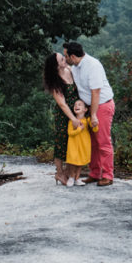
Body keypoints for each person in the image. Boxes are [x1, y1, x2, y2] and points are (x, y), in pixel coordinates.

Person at [65, 42, 116, 186]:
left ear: (73, 56)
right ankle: (95, 173)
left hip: (102, 105)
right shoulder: (75, 67)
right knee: (92, 142)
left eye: (66, 56)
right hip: (89, 107)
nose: (65, 58)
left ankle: (107, 175)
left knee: (103, 142)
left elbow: (96, 92)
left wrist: (93, 115)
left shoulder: (93, 65)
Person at [42, 52, 80, 185]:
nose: (65, 60)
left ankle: (69, 173)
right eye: (62, 60)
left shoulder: (69, 70)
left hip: (76, 111)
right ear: (56, 66)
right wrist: (73, 119)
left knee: (73, 143)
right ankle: (59, 173)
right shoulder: (55, 81)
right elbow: (62, 104)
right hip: (63, 116)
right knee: (62, 143)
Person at [64, 99, 97, 187]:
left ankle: (77, 178)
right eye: (75, 105)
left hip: (84, 144)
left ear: (85, 109)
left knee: (80, 162)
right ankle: (71, 177)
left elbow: (94, 129)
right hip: (73, 144)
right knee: (73, 161)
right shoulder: (72, 121)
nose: (76, 106)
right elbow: (70, 133)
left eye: (79, 105)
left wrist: (95, 124)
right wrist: (79, 129)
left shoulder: (87, 120)